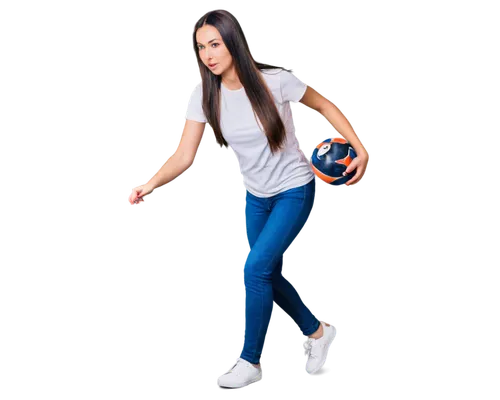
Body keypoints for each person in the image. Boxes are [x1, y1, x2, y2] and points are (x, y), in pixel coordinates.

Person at [128, 8, 368, 390]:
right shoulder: (203, 93)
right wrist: (149, 184)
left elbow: (322, 105)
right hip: (255, 195)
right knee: (263, 270)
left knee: (254, 269)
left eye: (215, 44)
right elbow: (185, 154)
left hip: (293, 188)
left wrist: (360, 148)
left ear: (233, 42)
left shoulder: (275, 81)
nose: (208, 54)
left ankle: (251, 361)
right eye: (201, 47)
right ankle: (318, 332)